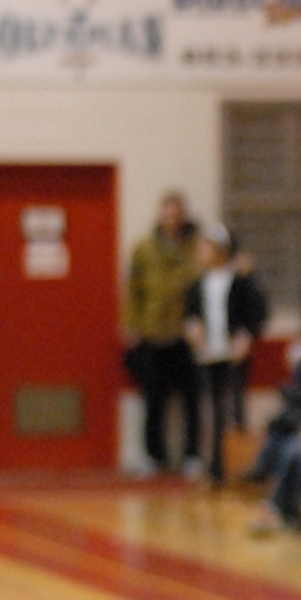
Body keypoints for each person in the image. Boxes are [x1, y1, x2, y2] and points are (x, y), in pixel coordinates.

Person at [183, 225, 268, 484]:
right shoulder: (198, 284)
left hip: (233, 354)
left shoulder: (240, 282)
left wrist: (246, 335)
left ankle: (239, 465)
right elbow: (190, 313)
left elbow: (257, 313)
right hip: (207, 354)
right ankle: (213, 464)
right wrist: (192, 327)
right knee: (210, 409)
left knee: (236, 408)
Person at [123, 191, 201, 474]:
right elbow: (133, 290)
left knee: (191, 399)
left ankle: (192, 455)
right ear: (160, 216)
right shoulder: (143, 249)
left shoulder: (195, 248)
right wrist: (132, 326)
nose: (172, 220)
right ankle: (153, 455)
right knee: (153, 398)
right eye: (167, 214)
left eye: (176, 215)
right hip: (152, 332)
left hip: (184, 335)